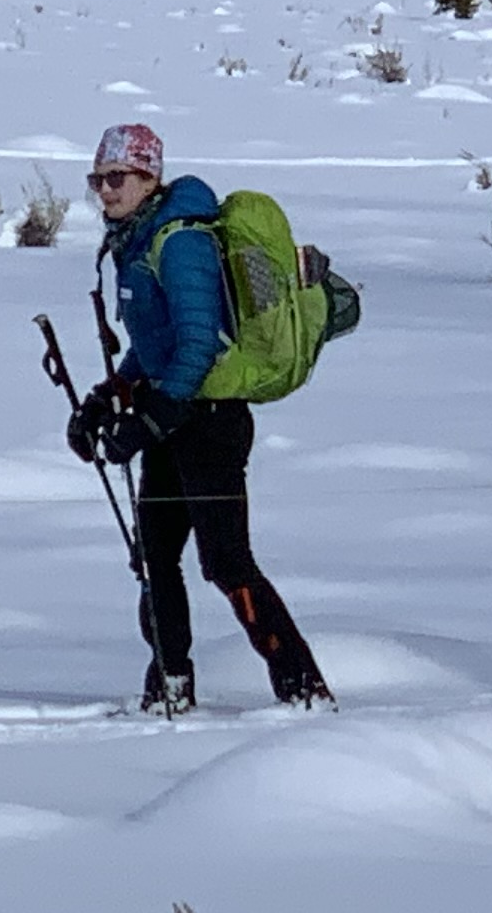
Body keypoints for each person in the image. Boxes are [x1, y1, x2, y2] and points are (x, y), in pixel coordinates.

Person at [69, 121, 332, 715]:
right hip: (174, 416)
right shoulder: (135, 240)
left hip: (210, 422)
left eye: (117, 178)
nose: (105, 191)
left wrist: (152, 416)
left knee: (225, 562)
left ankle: (302, 688)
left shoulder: (179, 241)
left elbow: (200, 342)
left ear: (149, 177)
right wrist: (108, 398)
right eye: (98, 180)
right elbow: (156, 345)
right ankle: (169, 687)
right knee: (155, 557)